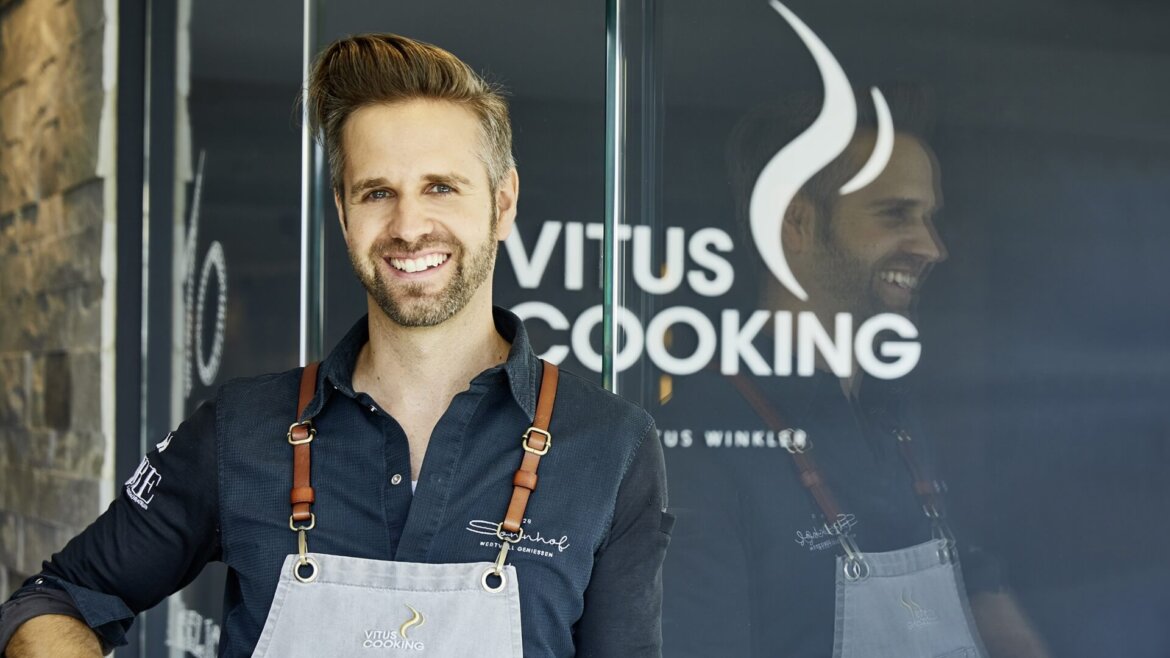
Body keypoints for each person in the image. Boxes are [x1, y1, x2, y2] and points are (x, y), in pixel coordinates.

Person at [0, 34, 671, 657]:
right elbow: (52, 600)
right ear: (344, 213)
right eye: (378, 192)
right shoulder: (241, 432)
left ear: (502, 202)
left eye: (440, 187)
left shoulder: (608, 447)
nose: (408, 226)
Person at [659, 89, 1049, 657]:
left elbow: (979, 585)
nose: (932, 248)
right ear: (795, 223)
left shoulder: (896, 414)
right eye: (895, 215)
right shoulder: (697, 443)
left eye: (928, 218)